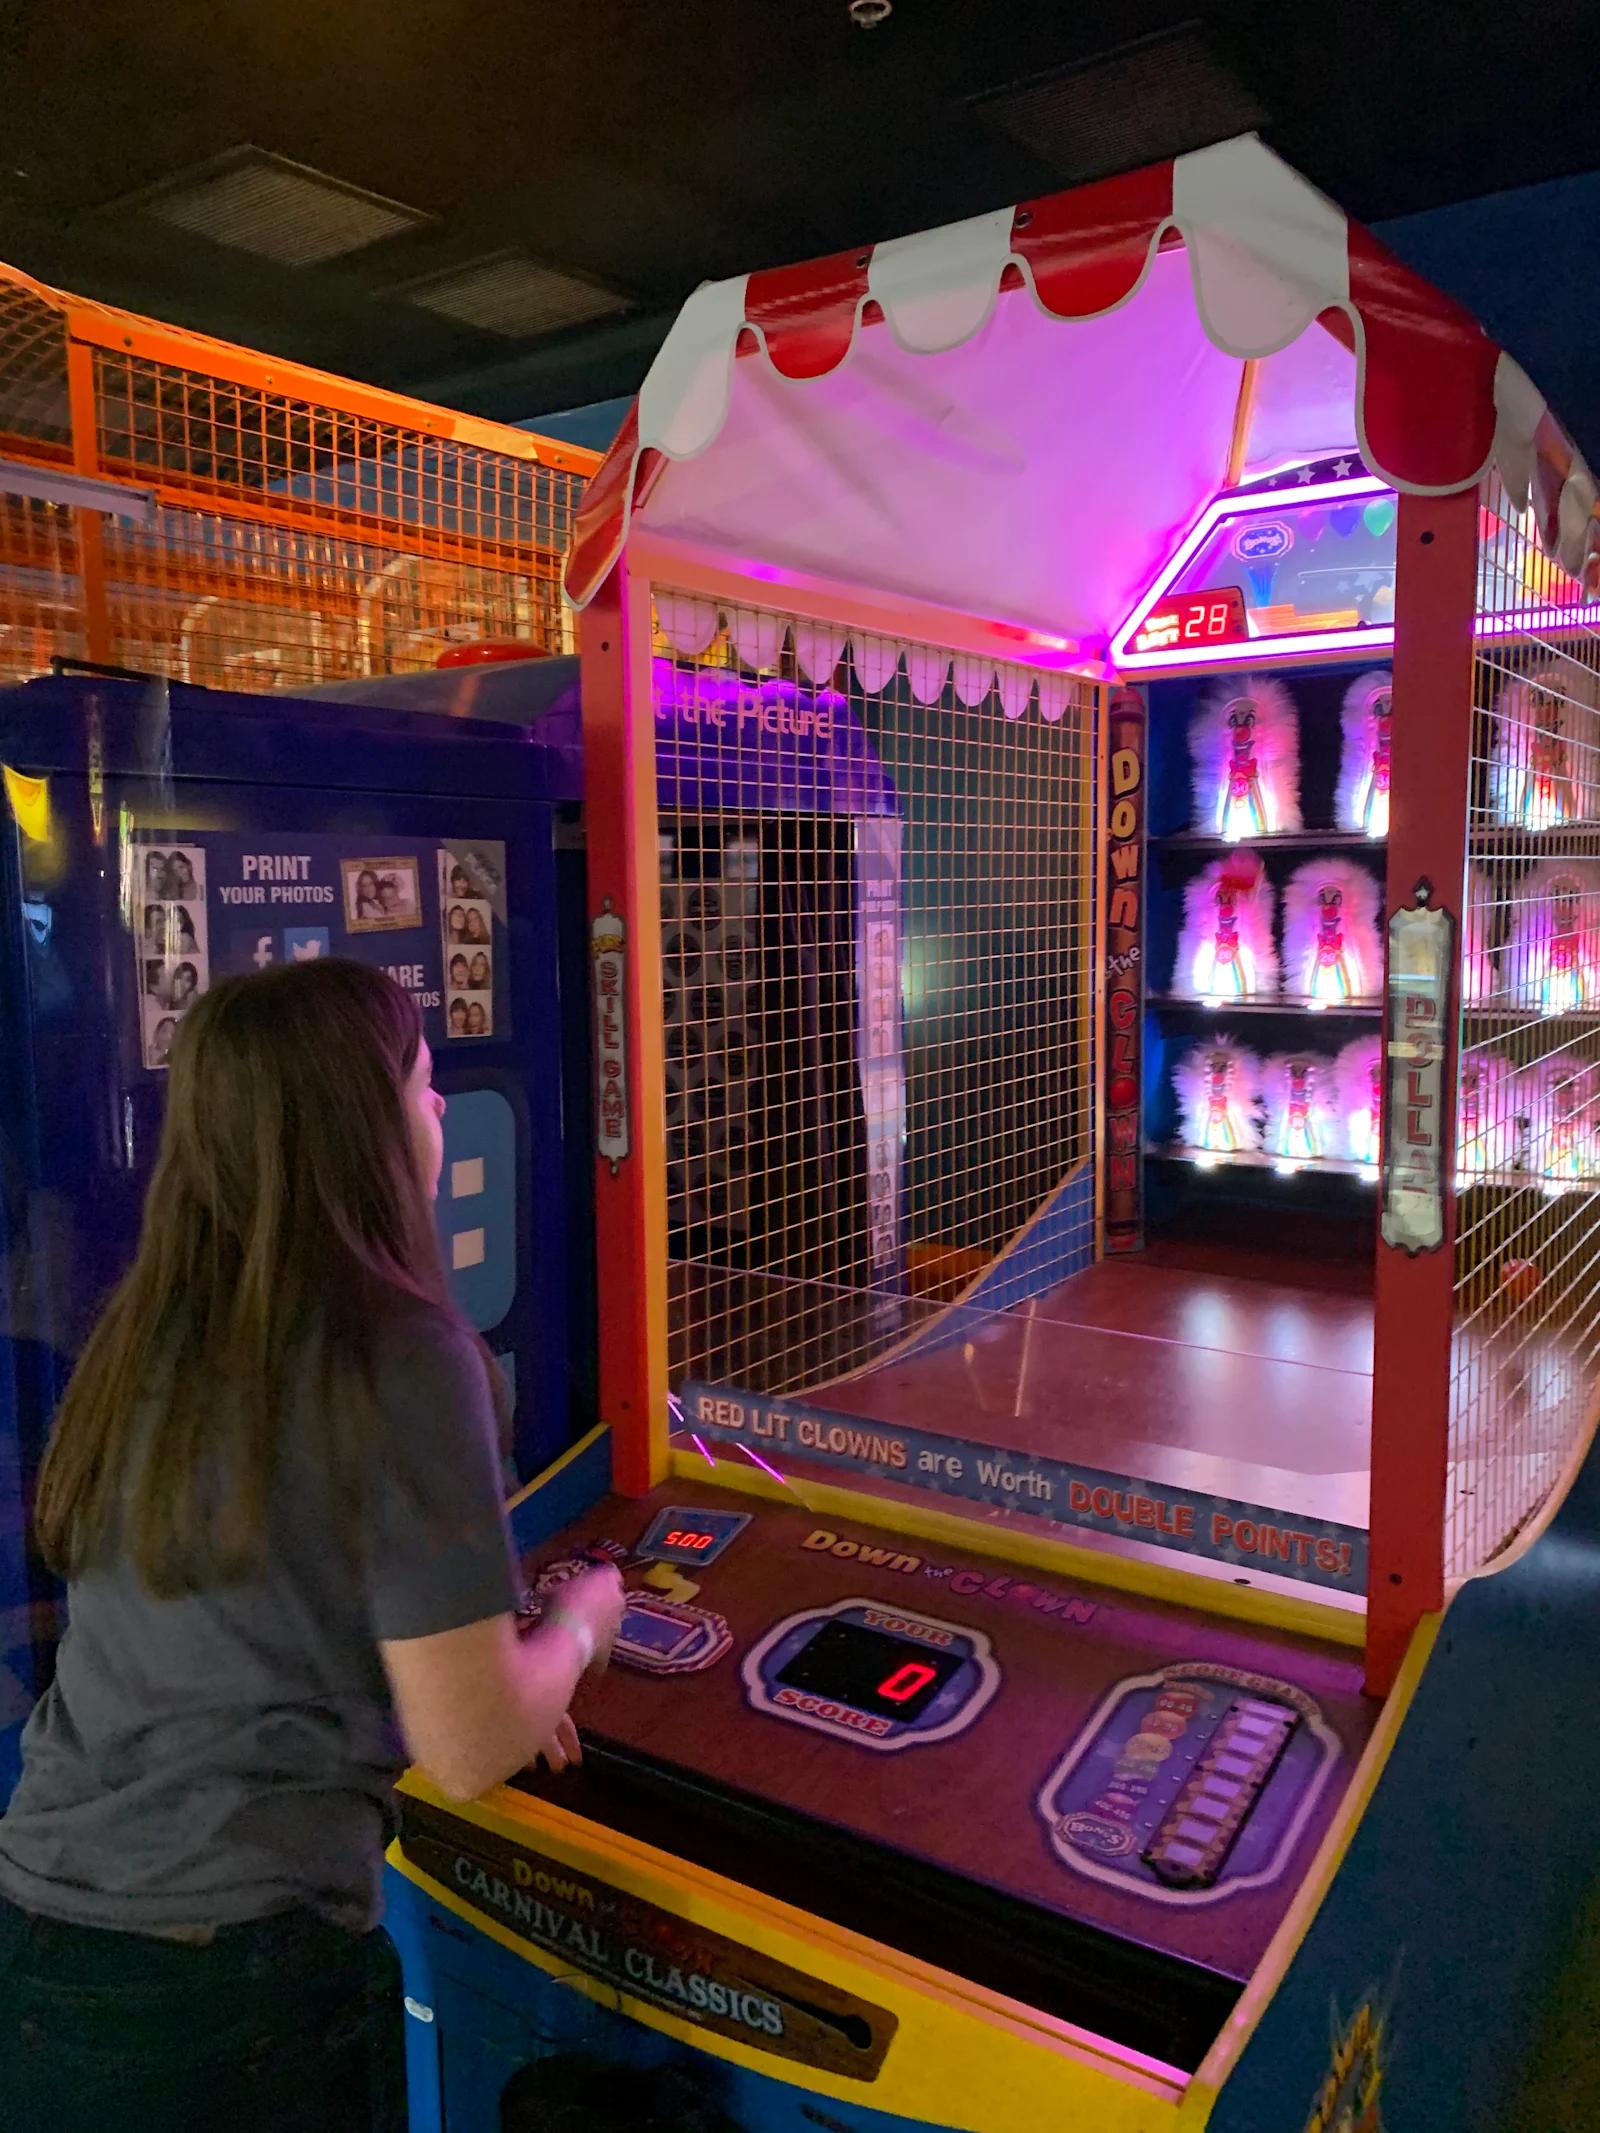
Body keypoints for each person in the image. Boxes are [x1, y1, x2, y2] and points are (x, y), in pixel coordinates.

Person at [0, 960, 624, 2133]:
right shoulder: (404, 1356)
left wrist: (498, 1668)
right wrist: (584, 1623)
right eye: (421, 1082)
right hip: (235, 1993)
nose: (439, 1108)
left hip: (45, 1941)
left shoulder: (147, 1337)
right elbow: (468, 1748)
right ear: (360, 1126)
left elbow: (265, 1608)